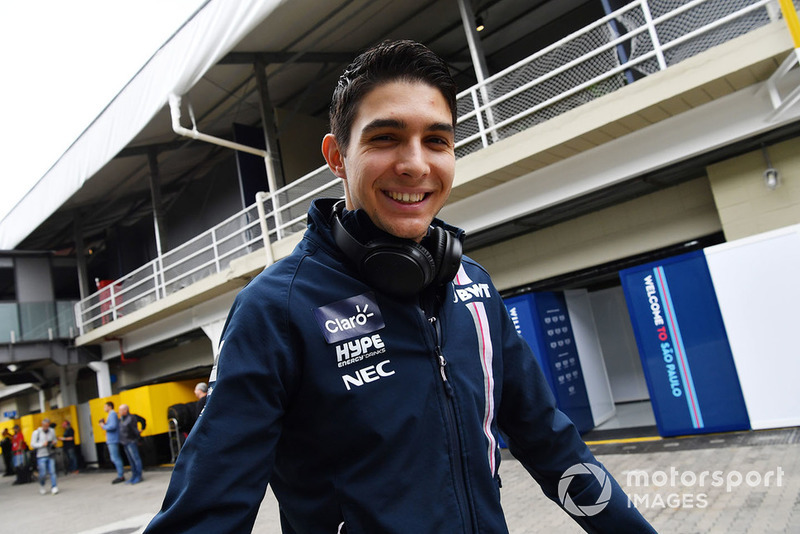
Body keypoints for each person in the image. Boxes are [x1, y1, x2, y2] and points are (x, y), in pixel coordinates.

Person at [145, 40, 656, 533]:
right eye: (385, 138)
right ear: (337, 156)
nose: (415, 164)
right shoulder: (274, 310)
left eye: (437, 140)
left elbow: (554, 449)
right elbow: (205, 513)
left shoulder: (472, 285)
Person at [99, 401, 126, 483]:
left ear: (110, 406)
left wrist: (103, 426)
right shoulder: (111, 414)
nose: (104, 408)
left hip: (113, 439)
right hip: (111, 439)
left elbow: (113, 426)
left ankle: (120, 476)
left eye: (105, 406)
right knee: (114, 457)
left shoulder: (112, 414)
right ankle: (120, 474)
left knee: (115, 458)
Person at [118, 404, 145, 484]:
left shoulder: (131, 418)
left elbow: (134, 430)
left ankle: (139, 476)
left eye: (120, 410)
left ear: (125, 410)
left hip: (131, 441)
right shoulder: (122, 419)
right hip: (125, 442)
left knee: (136, 459)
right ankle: (134, 475)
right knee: (131, 460)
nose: (119, 412)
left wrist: (138, 437)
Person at [31, 418, 58, 495]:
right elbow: (32, 444)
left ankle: (54, 486)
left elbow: (55, 439)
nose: (46, 427)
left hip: (51, 453)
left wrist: (54, 442)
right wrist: (42, 444)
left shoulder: (52, 431)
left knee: (52, 471)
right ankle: (42, 485)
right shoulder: (36, 433)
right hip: (41, 455)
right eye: (45, 426)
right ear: (42, 425)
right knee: (43, 473)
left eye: (48, 426)